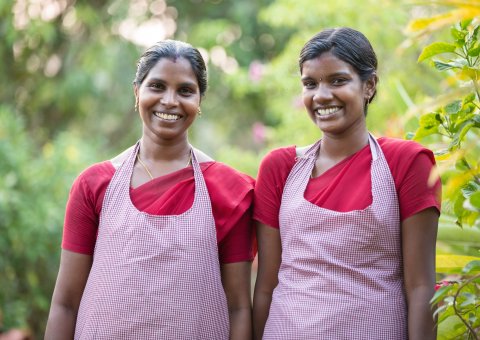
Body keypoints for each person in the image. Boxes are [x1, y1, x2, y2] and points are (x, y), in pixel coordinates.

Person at [45, 39, 254, 340]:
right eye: (156, 86)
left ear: (200, 101)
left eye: (185, 90)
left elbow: (238, 308)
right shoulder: (94, 184)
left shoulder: (228, 190)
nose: (169, 101)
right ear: (136, 92)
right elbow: (65, 304)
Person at [253, 27, 440, 340]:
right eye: (310, 84)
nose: (322, 95)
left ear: (369, 85)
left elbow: (421, 287)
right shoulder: (280, 168)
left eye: (338, 80)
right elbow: (265, 287)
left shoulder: (406, 162)